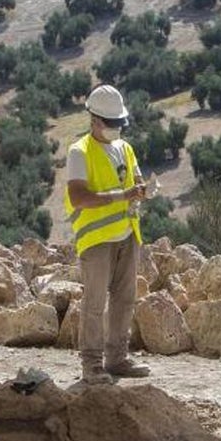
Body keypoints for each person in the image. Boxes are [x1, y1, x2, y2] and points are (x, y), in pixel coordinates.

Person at [64, 84, 158, 384]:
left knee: (124, 298)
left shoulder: (124, 149)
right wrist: (123, 195)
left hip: (126, 235)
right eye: (112, 123)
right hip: (96, 240)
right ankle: (91, 364)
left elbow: (135, 178)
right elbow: (79, 196)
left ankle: (117, 358)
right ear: (94, 120)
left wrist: (142, 190)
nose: (117, 128)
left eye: (120, 123)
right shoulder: (80, 152)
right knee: (94, 303)